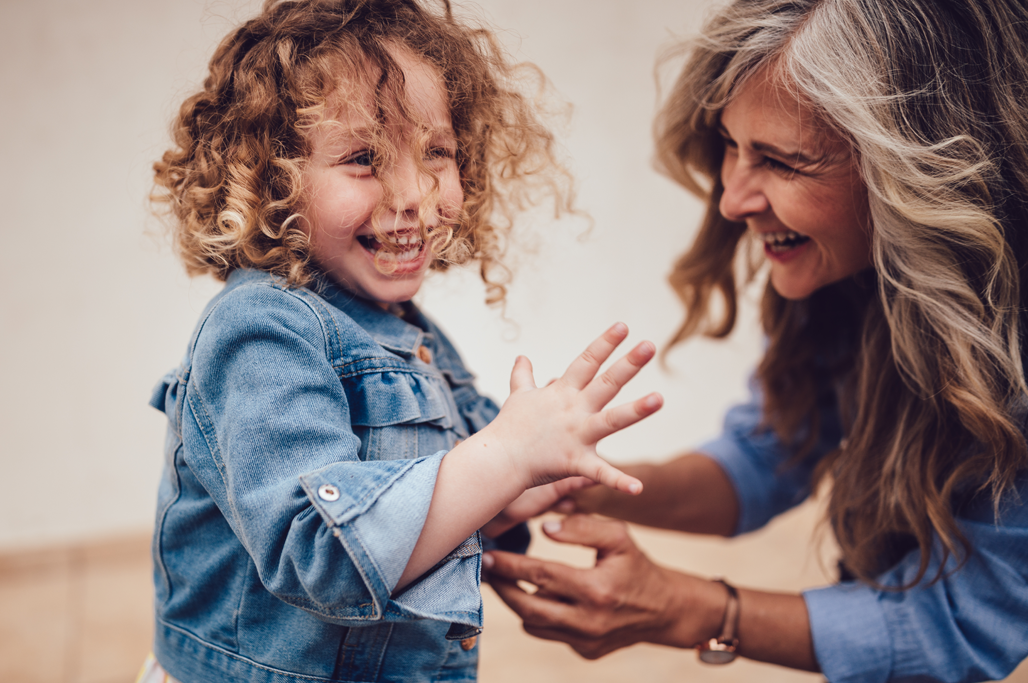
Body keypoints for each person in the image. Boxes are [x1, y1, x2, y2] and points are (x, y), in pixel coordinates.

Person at [482, 0, 1028, 680]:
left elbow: (965, 625)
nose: (731, 198)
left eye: (781, 161)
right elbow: (768, 452)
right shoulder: (849, 280)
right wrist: (587, 482)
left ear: (915, 165)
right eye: (732, 147)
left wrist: (691, 608)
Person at [138, 1, 663, 681]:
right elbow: (321, 552)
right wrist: (503, 455)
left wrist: (518, 488)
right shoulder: (259, 330)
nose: (413, 191)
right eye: (363, 158)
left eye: (436, 152)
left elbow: (427, 497)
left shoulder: (409, 332)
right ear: (274, 180)